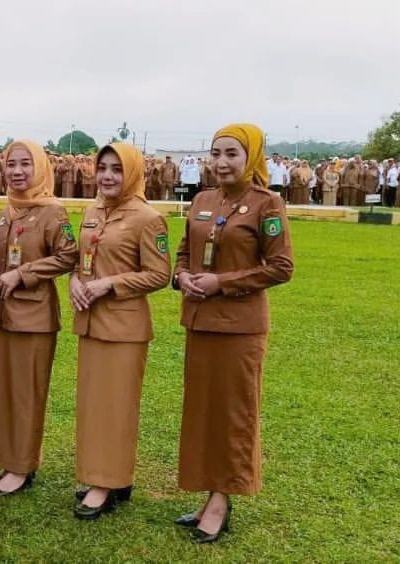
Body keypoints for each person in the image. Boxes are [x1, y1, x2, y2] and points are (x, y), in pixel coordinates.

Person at [173, 124, 293, 543]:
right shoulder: (202, 199)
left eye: (231, 154)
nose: (221, 163)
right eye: (215, 153)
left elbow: (281, 267)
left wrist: (221, 282)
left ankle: (222, 499)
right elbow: (184, 251)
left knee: (232, 413)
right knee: (203, 413)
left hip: (240, 328)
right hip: (200, 322)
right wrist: (183, 276)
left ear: (251, 158)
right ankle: (208, 493)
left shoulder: (268, 203)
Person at [70, 143, 170, 519]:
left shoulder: (148, 218)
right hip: (91, 323)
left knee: (116, 407)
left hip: (124, 326)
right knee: (93, 406)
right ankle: (105, 475)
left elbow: (160, 274)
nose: (108, 176)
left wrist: (109, 284)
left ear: (132, 174)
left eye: (117, 170)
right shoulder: (93, 211)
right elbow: (81, 262)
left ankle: (106, 483)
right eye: (103, 168)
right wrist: (76, 282)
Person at [0, 140, 78, 496]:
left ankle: (22, 467)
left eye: (25, 164)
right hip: (1, 316)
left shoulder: (54, 212)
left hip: (34, 318)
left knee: (26, 394)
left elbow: (69, 257)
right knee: (4, 392)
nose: (17, 172)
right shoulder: (7, 210)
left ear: (40, 168)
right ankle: (9, 461)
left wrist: (23, 275)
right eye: (11, 164)